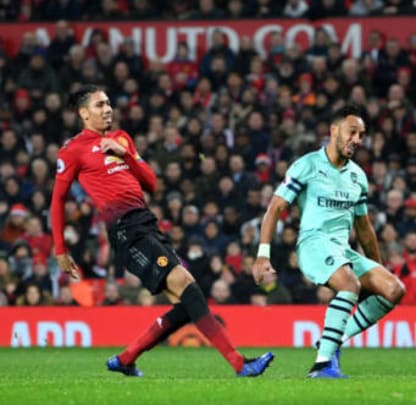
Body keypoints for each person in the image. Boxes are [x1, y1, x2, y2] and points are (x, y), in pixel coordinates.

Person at [50, 85, 273, 377]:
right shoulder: (72, 150)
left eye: (108, 103)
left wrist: (125, 154)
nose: (107, 109)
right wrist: (60, 250)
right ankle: (239, 363)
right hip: (125, 231)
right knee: (187, 285)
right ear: (83, 113)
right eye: (99, 105)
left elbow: (152, 183)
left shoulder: (121, 139)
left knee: (186, 303)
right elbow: (57, 200)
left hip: (147, 222)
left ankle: (126, 359)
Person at [252, 105, 405, 378]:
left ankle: (329, 341)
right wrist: (263, 254)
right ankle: (322, 365)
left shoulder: (358, 176)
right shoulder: (307, 165)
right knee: (349, 284)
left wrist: (375, 268)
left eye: (361, 134)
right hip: (313, 243)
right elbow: (275, 208)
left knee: (393, 289)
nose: (357, 140)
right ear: (334, 131)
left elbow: (364, 227)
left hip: (343, 250)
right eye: (352, 132)